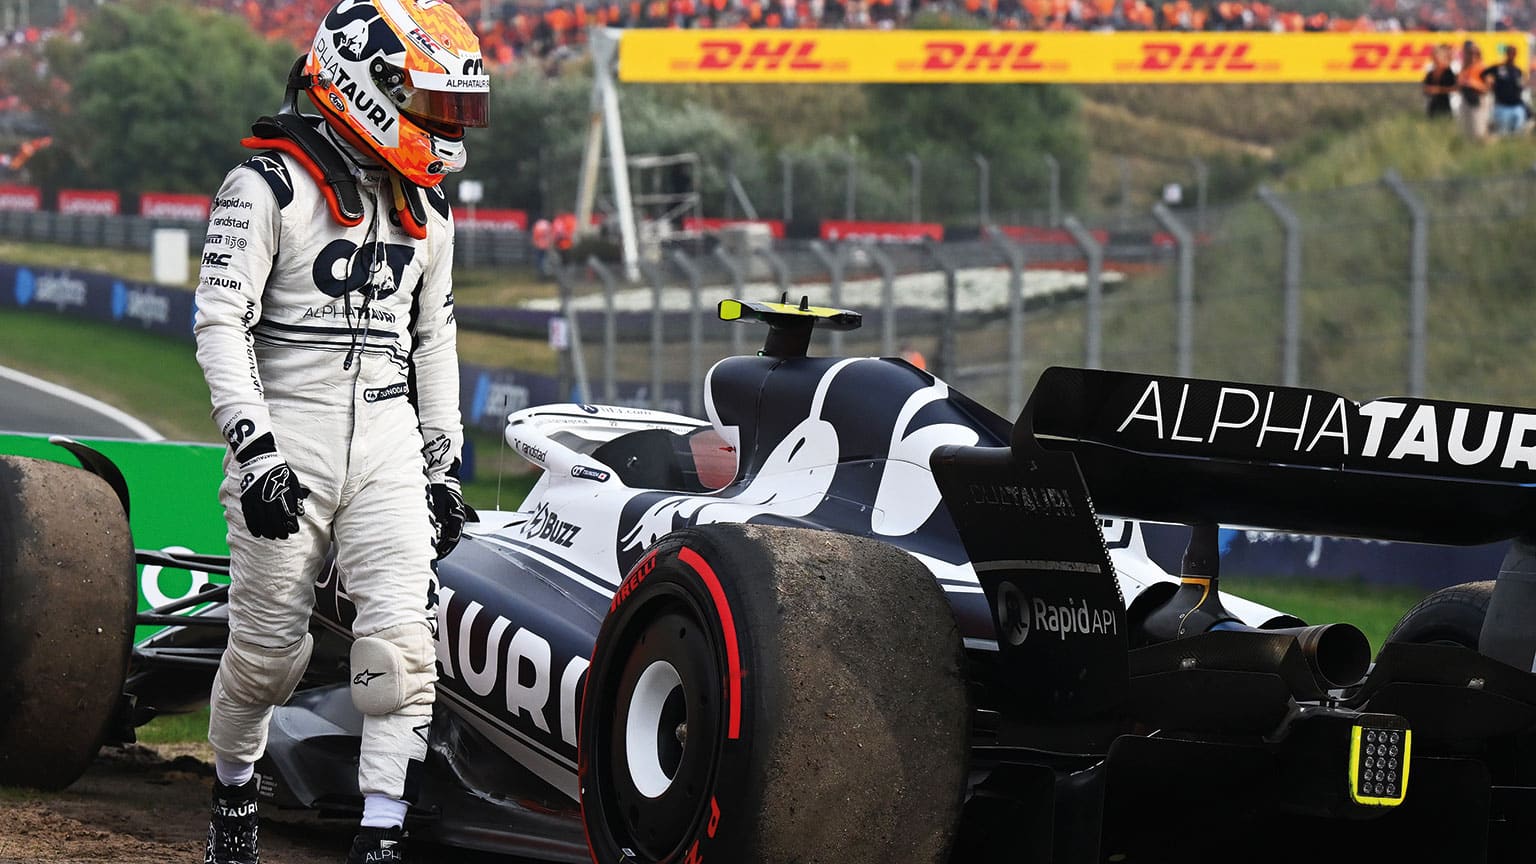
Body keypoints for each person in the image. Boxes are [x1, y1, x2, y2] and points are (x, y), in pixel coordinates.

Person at [192, 1, 488, 861]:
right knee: (269, 656)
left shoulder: (429, 212)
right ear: (364, 82)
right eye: (428, 102)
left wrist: (442, 467)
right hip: (290, 435)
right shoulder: (264, 186)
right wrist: (255, 451)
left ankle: (380, 837)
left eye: (451, 107)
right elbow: (220, 323)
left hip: (389, 442)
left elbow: (435, 340)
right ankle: (234, 799)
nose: (442, 127)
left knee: (401, 646)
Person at [1482, 43, 1526, 134]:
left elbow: (1520, 85)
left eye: (1513, 53)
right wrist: (1489, 83)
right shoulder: (1499, 68)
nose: (1511, 55)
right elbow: (1483, 74)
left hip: (1516, 105)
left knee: (1518, 133)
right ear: (1506, 53)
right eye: (1510, 52)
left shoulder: (1517, 70)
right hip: (1502, 105)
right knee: (1503, 133)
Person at [1458, 41, 1491, 140]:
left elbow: (1487, 87)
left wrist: (1474, 84)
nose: (1472, 55)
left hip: (1478, 100)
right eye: (1469, 52)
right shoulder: (1465, 67)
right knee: (1466, 130)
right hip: (1466, 100)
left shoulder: (1482, 67)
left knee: (1478, 130)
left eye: (1475, 52)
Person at [1422, 43, 1457, 119]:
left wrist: (1439, 90)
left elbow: (1455, 87)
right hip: (1433, 104)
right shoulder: (1431, 72)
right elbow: (1425, 87)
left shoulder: (1448, 71)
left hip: (1445, 105)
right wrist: (1428, 89)